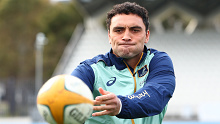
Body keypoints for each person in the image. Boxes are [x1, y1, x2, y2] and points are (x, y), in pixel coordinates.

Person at [71, 2, 175, 124]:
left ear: (146, 36)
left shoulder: (158, 61)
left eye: (135, 30)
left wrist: (120, 105)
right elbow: (67, 95)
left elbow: (157, 96)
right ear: (109, 36)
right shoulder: (89, 70)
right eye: (118, 30)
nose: (126, 36)